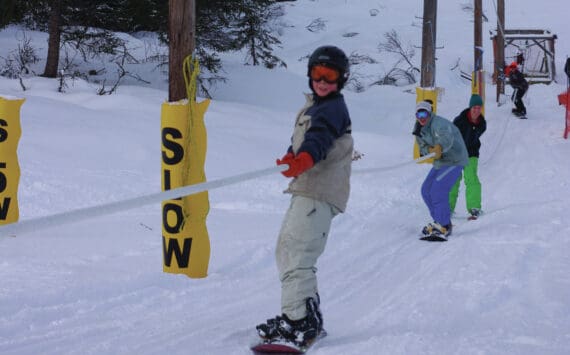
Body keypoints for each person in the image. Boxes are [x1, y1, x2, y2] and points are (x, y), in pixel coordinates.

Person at [256, 45, 353, 346]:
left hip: (318, 191)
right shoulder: (315, 106)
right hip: (309, 189)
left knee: (297, 253)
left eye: (330, 75)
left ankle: (297, 322)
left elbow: (318, 140)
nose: (323, 81)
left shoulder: (330, 109)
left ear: (341, 80)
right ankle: (305, 314)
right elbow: (301, 142)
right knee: (288, 250)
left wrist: (304, 159)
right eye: (317, 74)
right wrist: (291, 158)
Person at [414, 100, 469, 241]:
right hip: (441, 161)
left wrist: (439, 146)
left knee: (438, 190)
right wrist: (430, 150)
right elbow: (422, 146)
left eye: (424, 113)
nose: (421, 117)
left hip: (455, 159)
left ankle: (443, 224)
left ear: (429, 113)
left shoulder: (438, 123)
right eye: (418, 114)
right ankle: (439, 222)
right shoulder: (419, 129)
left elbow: (446, 137)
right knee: (426, 190)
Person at [449, 94, 487, 220]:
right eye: (474, 107)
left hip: (471, 154)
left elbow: (476, 135)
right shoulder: (460, 120)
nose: (476, 110)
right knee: (453, 180)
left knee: (472, 179)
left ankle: (474, 208)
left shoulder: (482, 123)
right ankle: (448, 208)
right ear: (470, 107)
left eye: (478, 108)